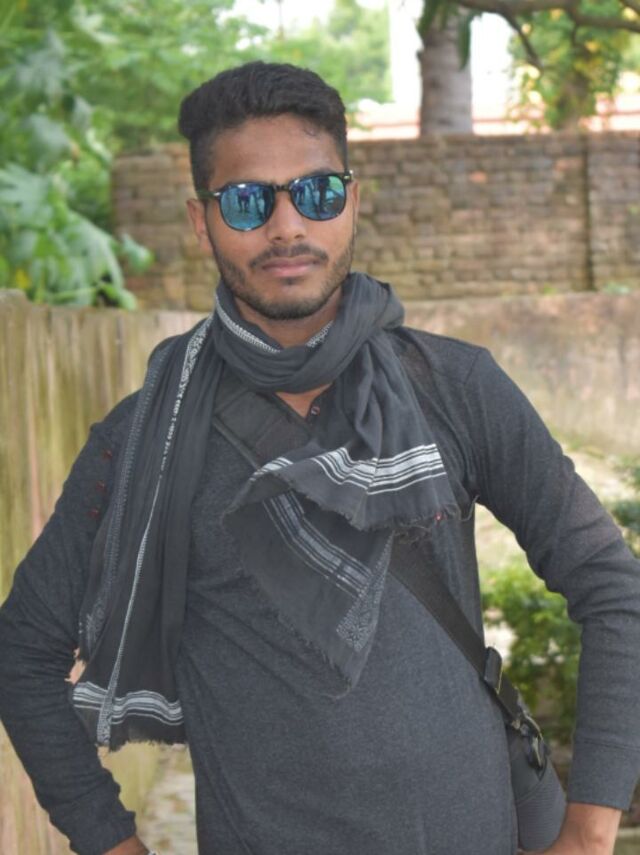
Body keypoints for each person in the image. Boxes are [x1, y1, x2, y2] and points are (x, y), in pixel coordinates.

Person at [1, 60, 639, 855]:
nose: (286, 226)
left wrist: (590, 829)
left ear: (352, 202)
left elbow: (612, 584)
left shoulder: (453, 387)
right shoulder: (144, 441)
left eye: (316, 192)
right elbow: (23, 650)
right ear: (202, 222)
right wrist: (110, 840)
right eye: (247, 200)